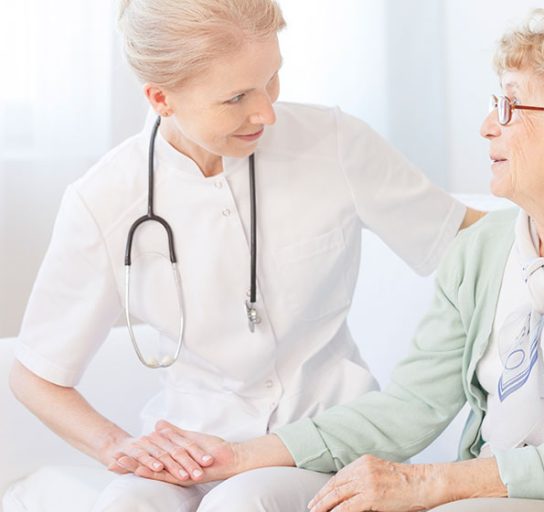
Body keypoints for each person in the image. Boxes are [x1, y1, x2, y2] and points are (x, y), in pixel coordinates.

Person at [122, 7, 544, 512]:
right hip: (502, 490)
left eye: (511, 107)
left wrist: (431, 484)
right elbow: (409, 410)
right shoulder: (485, 250)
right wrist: (237, 457)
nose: (487, 126)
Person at [7, 0, 483, 510]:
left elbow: (472, 242)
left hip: (321, 444)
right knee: (125, 505)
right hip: (191, 449)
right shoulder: (103, 199)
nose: (266, 112)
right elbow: (35, 373)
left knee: (242, 503)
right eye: (236, 98)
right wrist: (117, 445)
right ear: (161, 97)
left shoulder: (332, 143)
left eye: (271, 78)